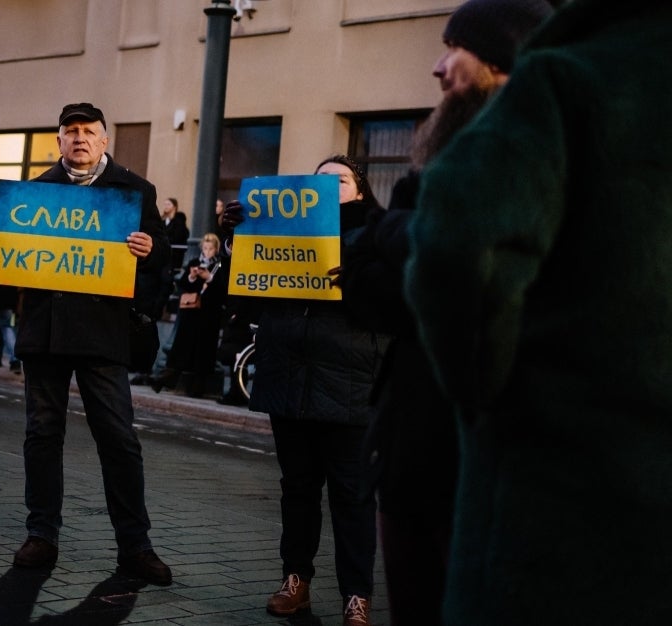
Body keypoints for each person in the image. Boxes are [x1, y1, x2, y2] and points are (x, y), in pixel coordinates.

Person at [403, 0, 672, 623]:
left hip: (560, 509)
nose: (439, 68)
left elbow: (458, 241)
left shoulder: (568, 77)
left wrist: (480, 389)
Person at [336, 1, 552, 623]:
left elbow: (459, 278)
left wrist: (391, 236)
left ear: (497, 62)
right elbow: (371, 293)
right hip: (410, 446)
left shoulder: (536, 159)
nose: (436, 67)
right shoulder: (427, 167)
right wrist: (397, 240)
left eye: (452, 49)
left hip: (488, 449)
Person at [0, 103, 173, 585]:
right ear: (58, 141)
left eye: (89, 131)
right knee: (42, 435)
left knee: (119, 439)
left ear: (105, 140)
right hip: (46, 333)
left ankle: (135, 545)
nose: (80, 138)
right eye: (71, 131)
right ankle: (41, 534)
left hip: (103, 333)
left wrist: (150, 250)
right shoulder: (32, 193)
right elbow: (4, 269)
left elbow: (160, 259)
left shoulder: (135, 191)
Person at [221, 155, 388, 625]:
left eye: (338, 181)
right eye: (318, 182)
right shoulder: (278, 226)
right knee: (297, 488)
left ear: (359, 190)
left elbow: (393, 305)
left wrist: (358, 280)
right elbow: (242, 299)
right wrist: (241, 240)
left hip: (351, 380)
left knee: (352, 495)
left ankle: (357, 597)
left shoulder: (377, 235)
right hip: (288, 374)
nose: (328, 188)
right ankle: (295, 581)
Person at [149, 232, 227, 397]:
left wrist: (209, 278)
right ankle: (166, 379)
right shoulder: (194, 262)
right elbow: (183, 283)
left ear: (216, 249)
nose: (207, 251)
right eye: (205, 248)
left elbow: (222, 290)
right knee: (182, 349)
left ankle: (197, 387)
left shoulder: (219, 266)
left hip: (208, 315)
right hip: (191, 313)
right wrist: (192, 276)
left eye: (210, 248)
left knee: (202, 352)